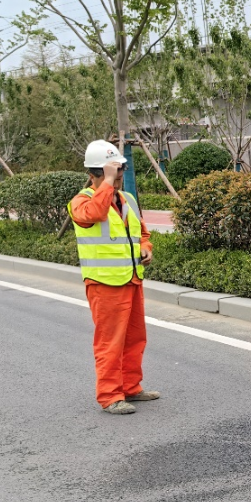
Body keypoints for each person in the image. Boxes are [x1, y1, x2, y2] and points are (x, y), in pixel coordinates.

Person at [67, 140, 159, 415]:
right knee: (110, 342)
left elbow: (142, 232)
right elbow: (94, 214)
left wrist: (146, 247)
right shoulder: (81, 201)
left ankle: (131, 387)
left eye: (120, 172)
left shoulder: (126, 199)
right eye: (113, 172)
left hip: (131, 279)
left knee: (135, 338)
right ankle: (110, 396)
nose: (119, 177)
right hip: (104, 283)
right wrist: (106, 183)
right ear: (95, 173)